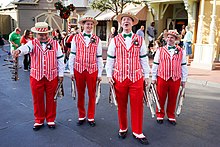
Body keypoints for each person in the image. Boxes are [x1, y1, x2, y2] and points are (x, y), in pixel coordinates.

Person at [106, 12, 150, 145]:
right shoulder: (115, 40)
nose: (126, 22)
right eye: (124, 20)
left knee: (137, 105)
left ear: (132, 23)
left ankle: (138, 131)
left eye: (129, 20)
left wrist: (147, 76)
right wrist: (109, 74)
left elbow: (144, 59)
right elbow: (110, 59)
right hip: (119, 76)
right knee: (121, 105)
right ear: (121, 23)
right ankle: (123, 127)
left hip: (136, 77)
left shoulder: (140, 40)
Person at [13, 22, 65, 131]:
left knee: (52, 98)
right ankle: (39, 120)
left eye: (46, 34)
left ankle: (50, 119)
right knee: (37, 99)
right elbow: (25, 48)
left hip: (52, 75)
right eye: (41, 35)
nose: (44, 37)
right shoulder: (32, 43)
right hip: (36, 76)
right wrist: (18, 51)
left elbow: (60, 59)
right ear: (36, 34)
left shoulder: (55, 43)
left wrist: (61, 74)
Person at [69, 16, 103, 127]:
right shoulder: (76, 38)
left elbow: (99, 57)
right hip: (79, 69)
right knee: (80, 93)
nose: (89, 26)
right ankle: (81, 115)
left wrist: (99, 73)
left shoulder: (97, 39)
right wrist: (71, 70)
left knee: (92, 94)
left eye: (91, 24)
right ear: (83, 25)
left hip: (92, 69)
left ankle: (91, 116)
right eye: (87, 24)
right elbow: (72, 54)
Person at [151, 30, 188, 126]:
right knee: (161, 97)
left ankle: (171, 115)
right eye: (168, 37)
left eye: (172, 37)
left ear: (175, 40)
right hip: (162, 77)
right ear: (166, 38)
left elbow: (183, 65)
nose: (169, 39)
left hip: (176, 78)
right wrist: (153, 77)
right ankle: (160, 114)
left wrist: (184, 79)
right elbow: (155, 64)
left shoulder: (181, 51)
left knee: (173, 97)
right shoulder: (160, 50)